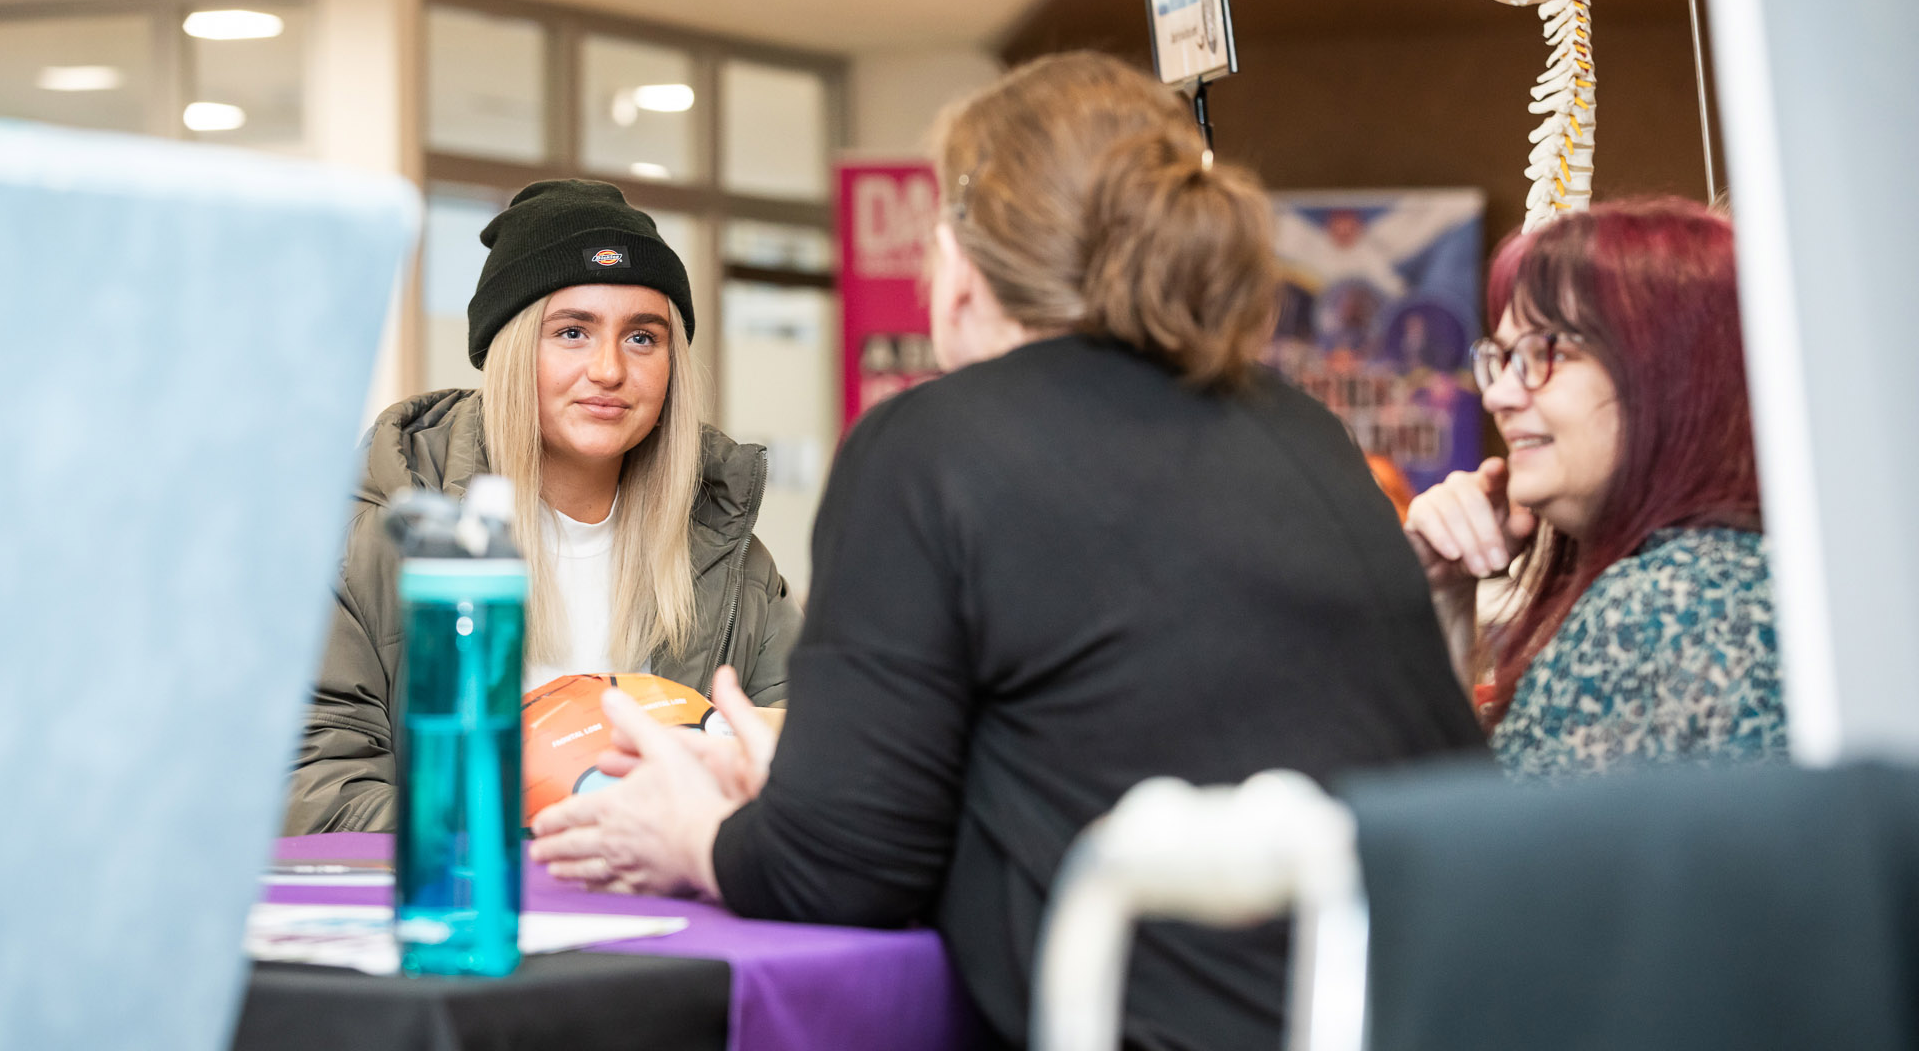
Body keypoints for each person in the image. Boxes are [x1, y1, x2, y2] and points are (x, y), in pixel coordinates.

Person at [527, 52, 1484, 1051]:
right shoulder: (1300, 428)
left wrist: (692, 834)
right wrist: (813, 779)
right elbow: (1109, 744)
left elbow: (841, 874)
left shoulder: (929, 443)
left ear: (962, 263)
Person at [282, 179, 803, 835]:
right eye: (572, 332)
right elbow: (315, 787)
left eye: (643, 338)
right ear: (509, 350)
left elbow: (812, 763)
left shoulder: (729, 556)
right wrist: (530, 836)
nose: (609, 369)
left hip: (666, 913)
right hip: (462, 917)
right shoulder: (379, 532)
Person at [1403, 198, 1787, 777]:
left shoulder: (1659, 602)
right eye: (1504, 358)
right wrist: (1450, 598)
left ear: (1673, 375)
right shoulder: (1745, 572)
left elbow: (1468, 856)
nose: (1499, 396)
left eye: (1545, 351)